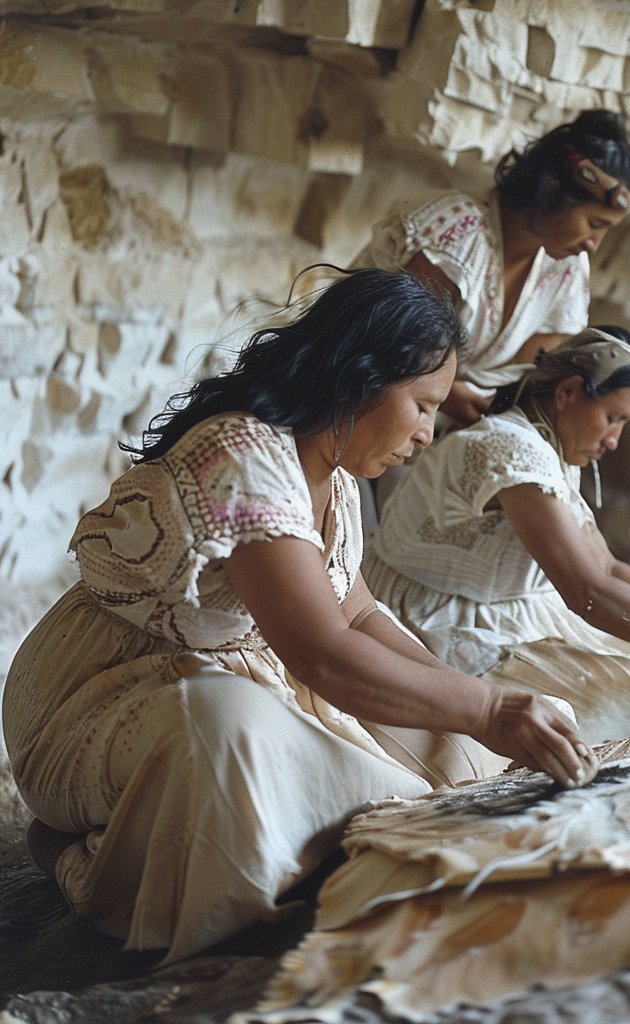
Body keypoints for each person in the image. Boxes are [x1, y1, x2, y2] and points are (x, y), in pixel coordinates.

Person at [1, 268, 593, 964]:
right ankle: (83, 852)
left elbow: (360, 613)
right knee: (230, 730)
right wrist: (489, 706)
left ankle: (332, 818)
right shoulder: (242, 454)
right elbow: (319, 652)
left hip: (233, 676)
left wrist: (472, 710)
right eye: (424, 405)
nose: (430, 433)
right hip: (95, 699)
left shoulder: (336, 477)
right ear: (361, 379)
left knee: (469, 758)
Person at [363, 328, 630, 744]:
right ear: (567, 393)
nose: (614, 441)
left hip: (511, 608)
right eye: (612, 418)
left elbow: (608, 568)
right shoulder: (510, 448)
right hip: (442, 622)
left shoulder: (547, 443)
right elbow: (588, 590)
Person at [355, 109, 630, 428]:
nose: (594, 243)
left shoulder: (566, 270)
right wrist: (449, 396)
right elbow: (386, 347)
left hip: (430, 423)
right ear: (551, 193)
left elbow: (538, 374)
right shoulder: (456, 231)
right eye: (594, 223)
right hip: (357, 391)